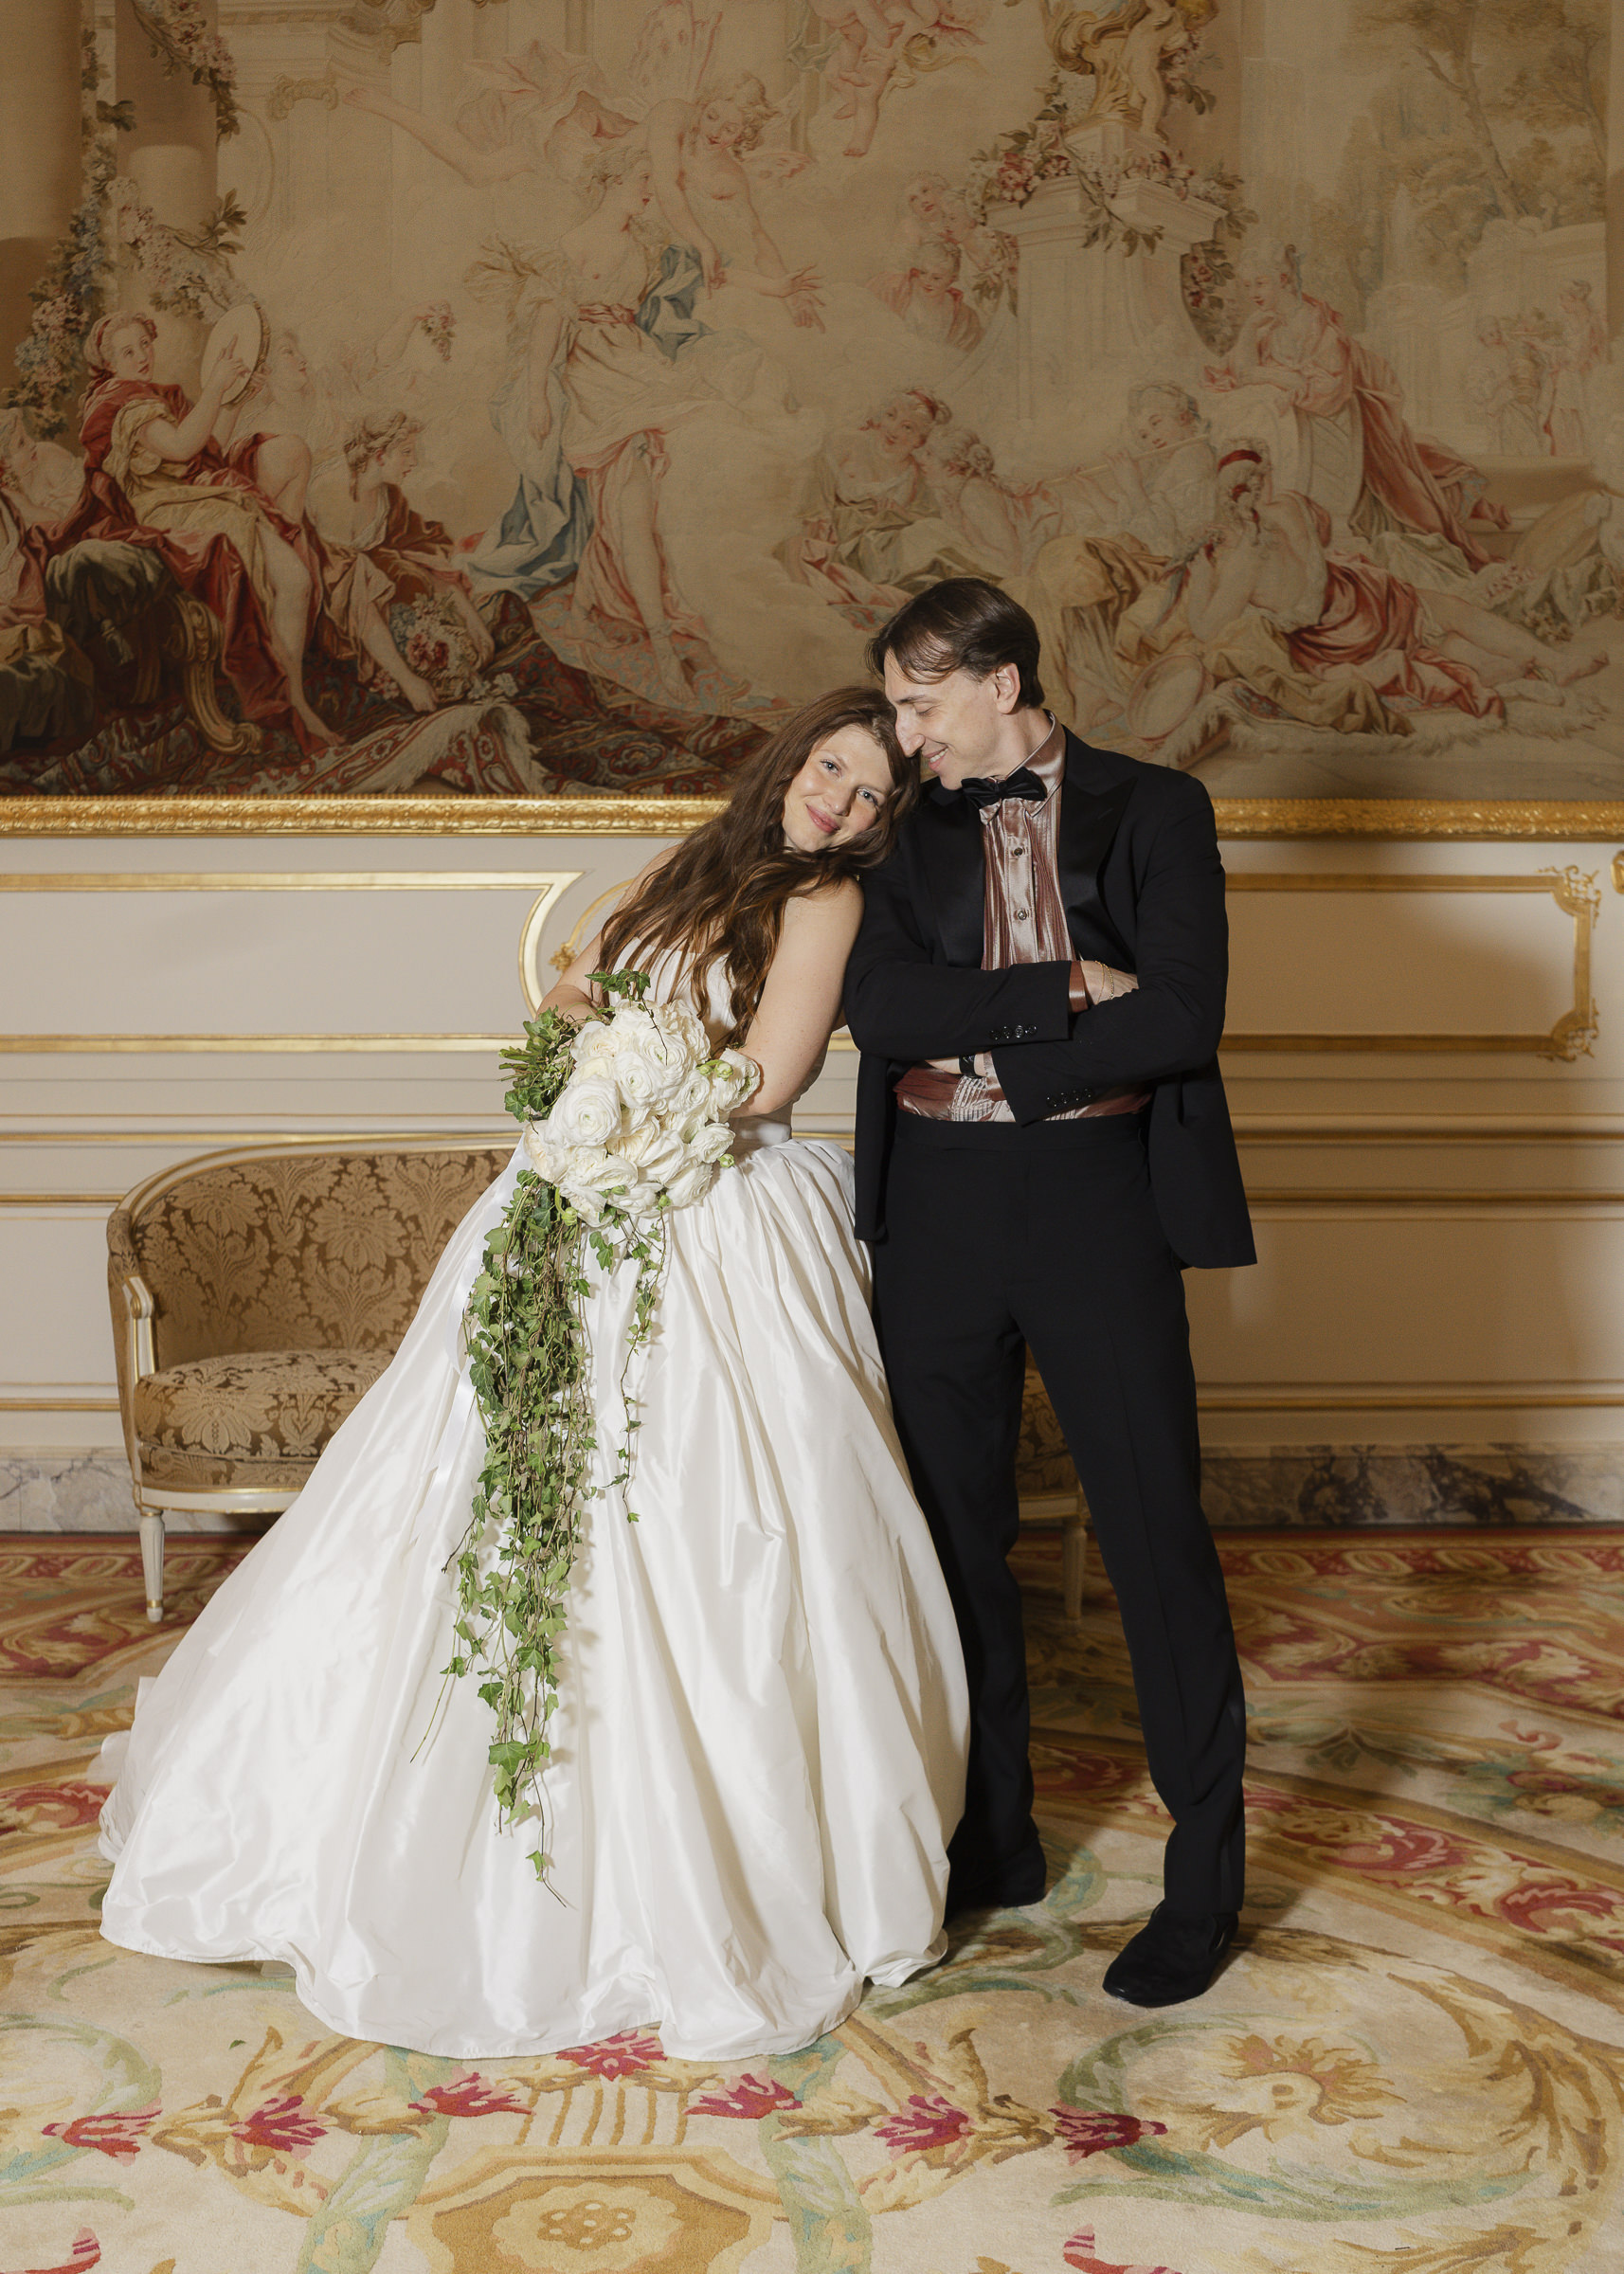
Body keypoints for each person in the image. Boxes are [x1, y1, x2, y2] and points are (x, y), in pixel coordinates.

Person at [97, 686, 968, 2064]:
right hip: (568, 1194)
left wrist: (649, 1080)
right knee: (466, 1492)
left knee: (697, 1514)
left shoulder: (825, 905)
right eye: (829, 772)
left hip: (713, 1214)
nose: (840, 807)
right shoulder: (673, 871)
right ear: (787, 758)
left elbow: (769, 1072)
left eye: (870, 799)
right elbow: (574, 995)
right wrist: (585, 1042)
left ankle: (706, 1858)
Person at [843, 576, 1253, 2008]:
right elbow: (877, 1010)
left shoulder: (1155, 808)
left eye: (918, 702)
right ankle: (991, 1838)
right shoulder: (900, 835)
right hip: (937, 1220)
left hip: (1097, 1204)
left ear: (1001, 679)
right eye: (894, 707)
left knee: (1155, 1545)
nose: (901, 737)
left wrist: (1011, 1053)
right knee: (955, 1549)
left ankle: (1201, 1885)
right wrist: (1063, 994)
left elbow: (1185, 1017)